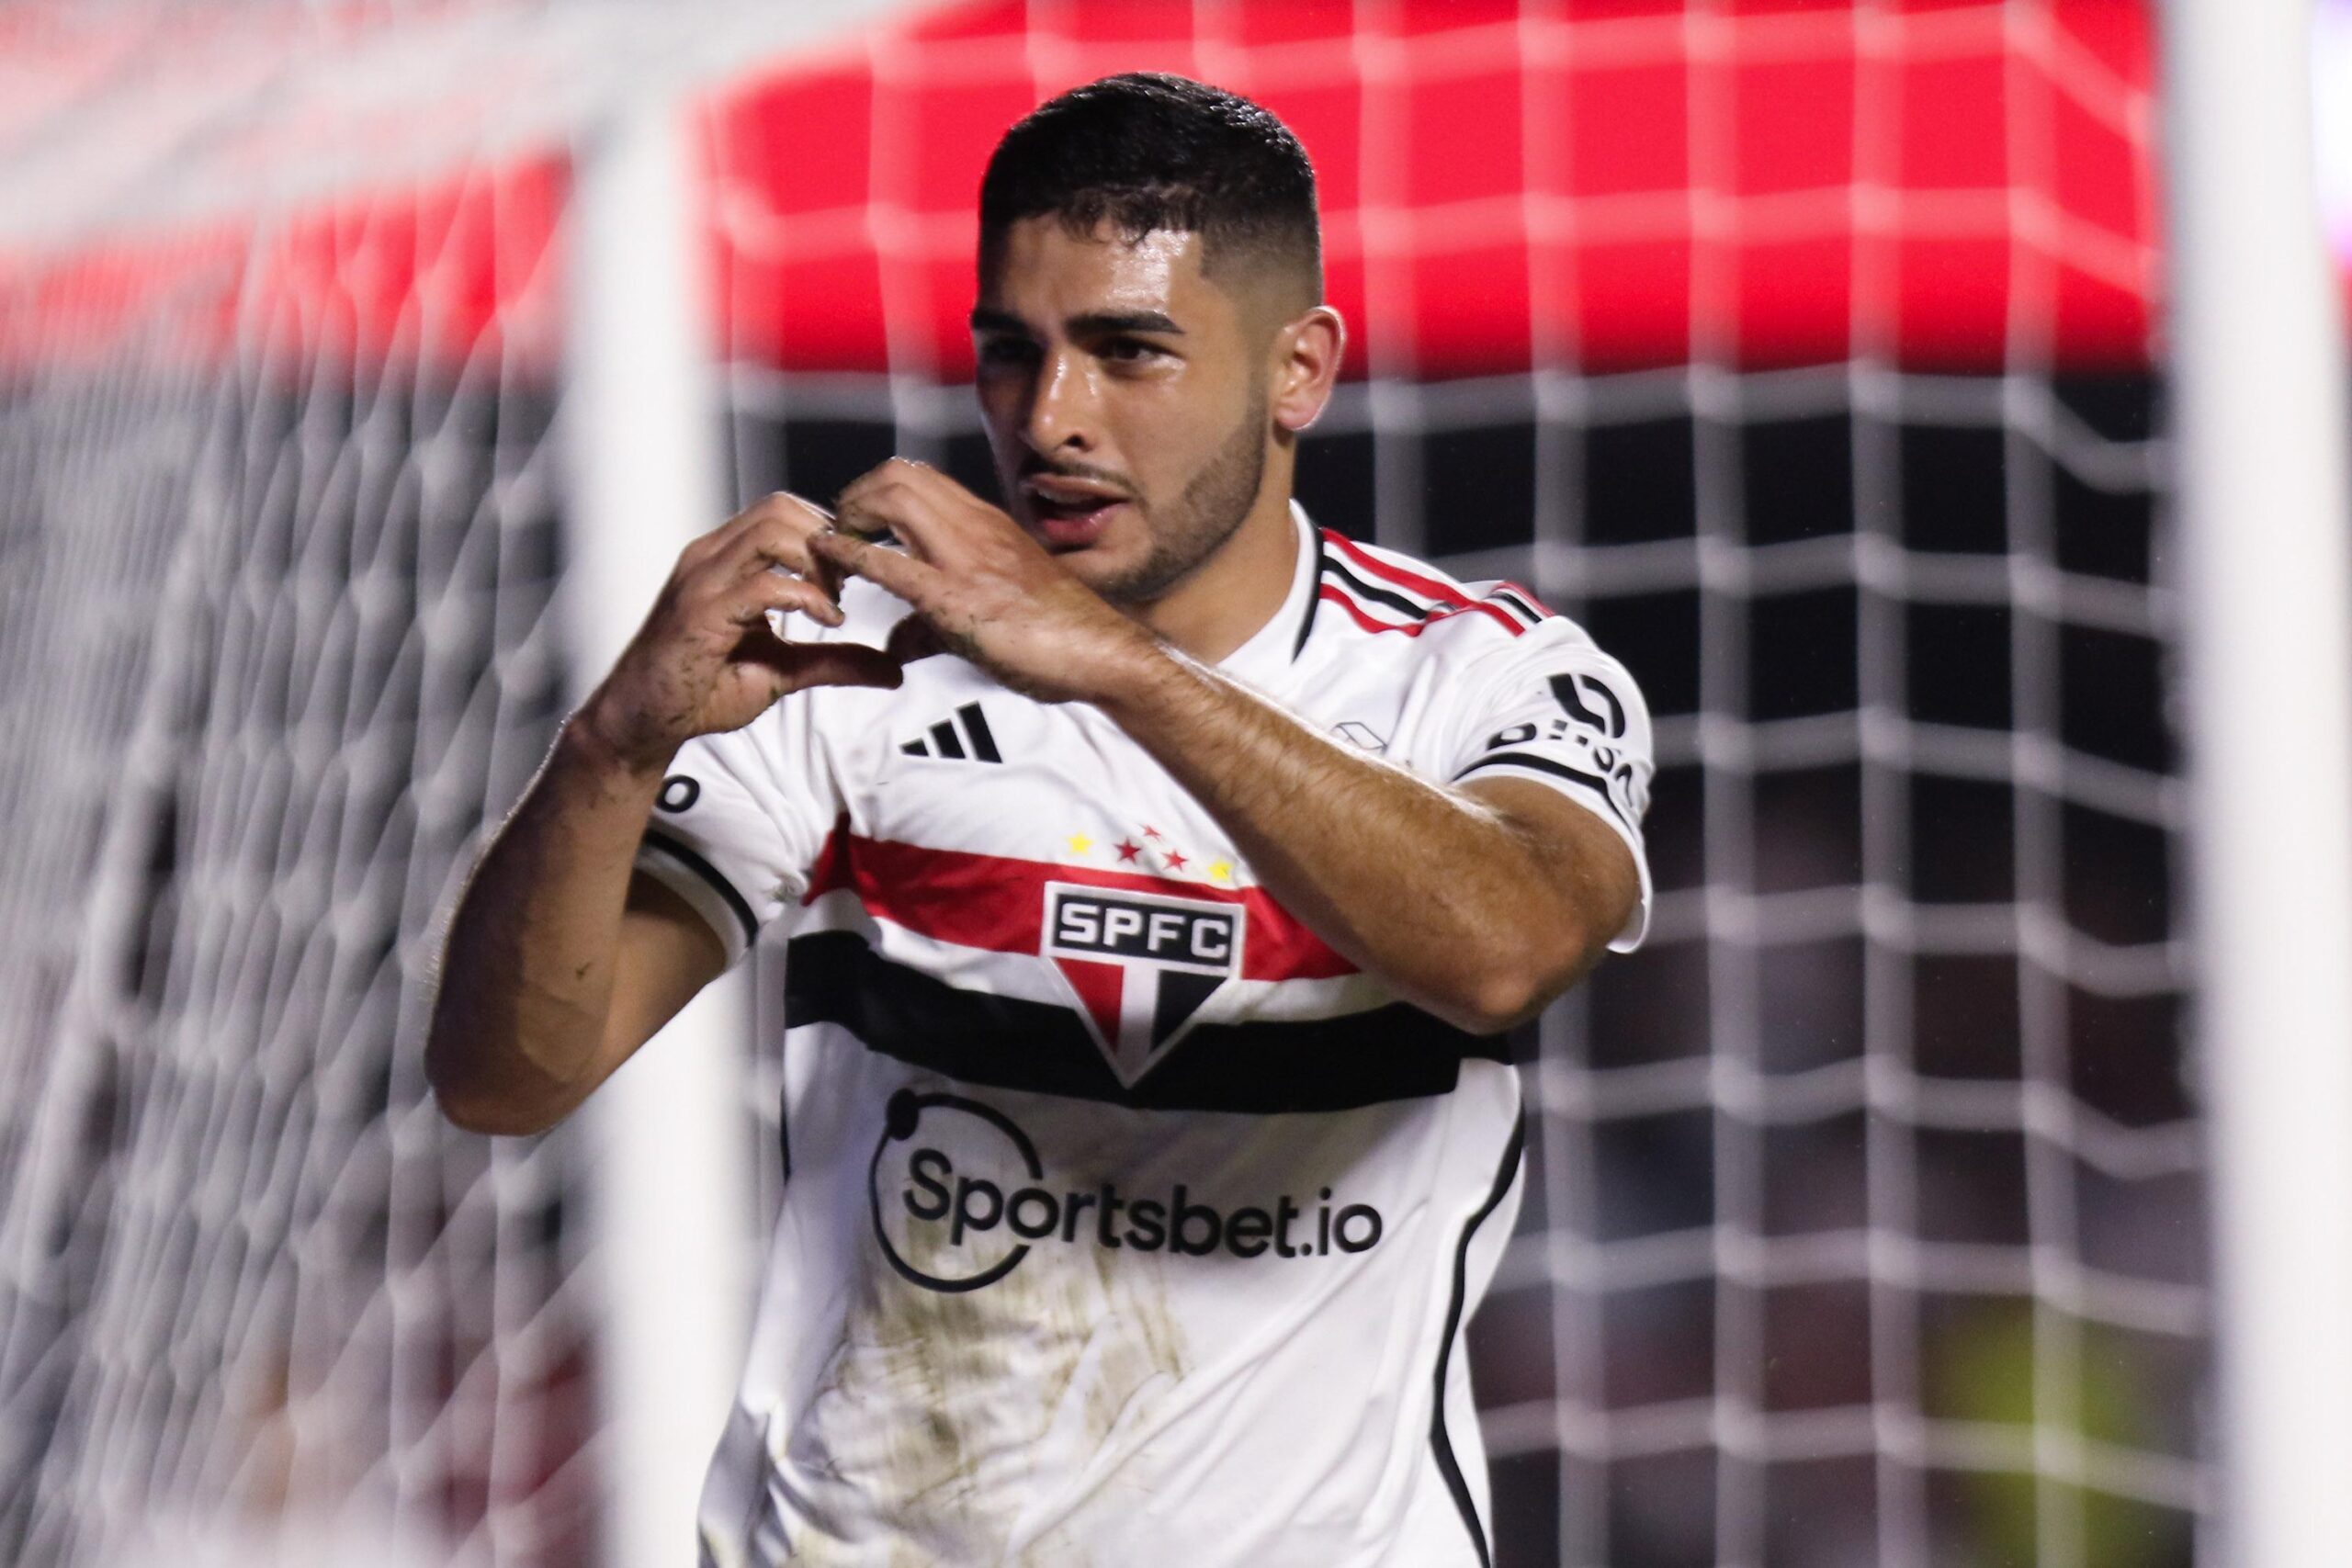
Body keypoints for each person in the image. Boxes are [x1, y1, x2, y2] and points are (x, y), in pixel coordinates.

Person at [426, 73, 1654, 1567]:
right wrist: (612, 746)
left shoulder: (1481, 675)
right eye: (1014, 354)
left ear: (1300, 370)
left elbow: (1508, 949)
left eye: (1128, 351)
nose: (1049, 419)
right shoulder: (853, 662)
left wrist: (1118, 669)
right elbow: (503, 1077)